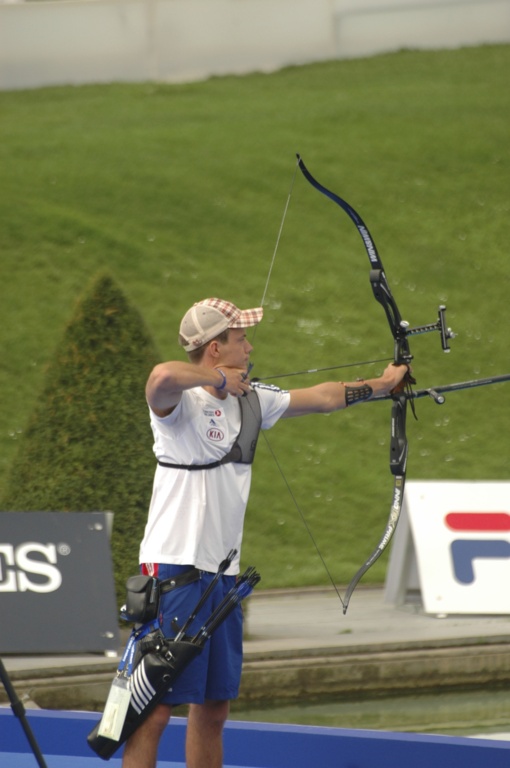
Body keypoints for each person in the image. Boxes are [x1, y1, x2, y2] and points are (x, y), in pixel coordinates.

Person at [121, 297, 409, 768]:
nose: (249, 346)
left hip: (223, 576)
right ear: (215, 348)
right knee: (153, 708)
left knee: (214, 707)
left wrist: (382, 384)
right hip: (174, 569)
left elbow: (323, 397)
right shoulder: (178, 407)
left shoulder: (253, 399)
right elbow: (160, 377)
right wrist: (218, 381)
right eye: (240, 338)